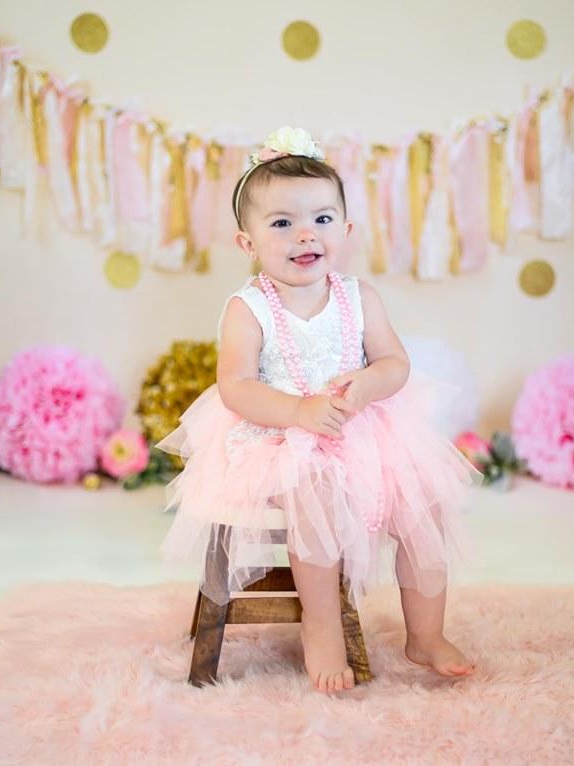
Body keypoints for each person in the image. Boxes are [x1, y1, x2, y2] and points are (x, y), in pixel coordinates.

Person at [157, 126, 482, 694]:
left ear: (346, 229)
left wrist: (369, 382)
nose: (305, 234)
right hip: (278, 438)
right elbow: (236, 386)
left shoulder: (360, 296)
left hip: (363, 431)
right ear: (247, 243)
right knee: (317, 500)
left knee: (425, 506)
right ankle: (322, 624)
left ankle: (426, 633)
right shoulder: (248, 308)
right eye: (282, 223)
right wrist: (297, 411)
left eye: (322, 219)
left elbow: (395, 363)